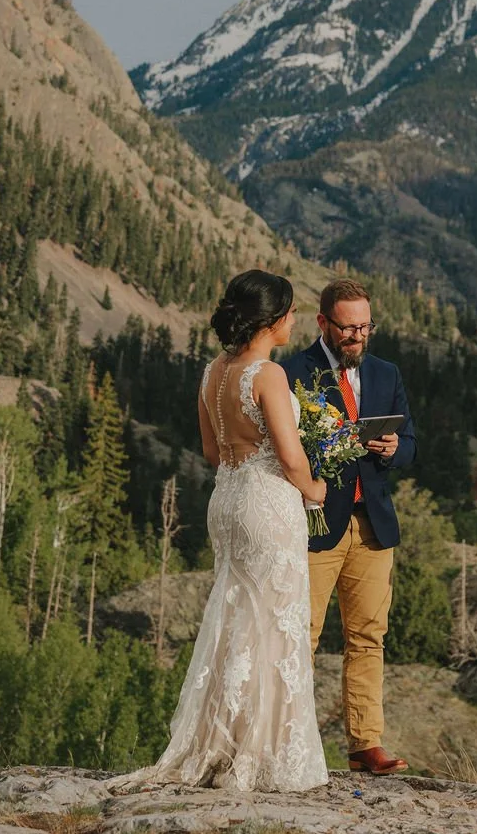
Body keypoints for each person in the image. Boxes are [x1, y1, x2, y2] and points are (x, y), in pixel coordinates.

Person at [113, 270, 329, 792]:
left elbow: (212, 452)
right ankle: (262, 754)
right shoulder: (268, 376)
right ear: (273, 320)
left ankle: (220, 742)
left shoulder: (213, 372)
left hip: (228, 499)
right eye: (291, 311)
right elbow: (290, 455)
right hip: (267, 503)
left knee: (235, 616)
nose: (295, 320)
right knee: (275, 622)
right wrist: (317, 489)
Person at [283, 279, 416, 775]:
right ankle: (291, 739)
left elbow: (412, 442)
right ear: (323, 324)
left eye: (365, 326)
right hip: (316, 524)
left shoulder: (387, 372)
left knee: (368, 637)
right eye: (348, 327)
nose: (358, 336)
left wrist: (394, 450)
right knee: (303, 634)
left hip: (374, 525)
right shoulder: (292, 373)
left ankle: (365, 744)